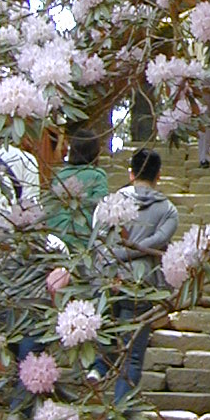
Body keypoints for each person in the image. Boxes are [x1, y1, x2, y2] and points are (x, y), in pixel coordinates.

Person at [92, 149, 178, 405]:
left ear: (130, 173)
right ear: (158, 175)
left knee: (106, 332)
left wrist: (117, 255)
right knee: (133, 355)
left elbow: (97, 240)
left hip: (108, 278)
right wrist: (135, 251)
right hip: (141, 283)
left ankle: (97, 370)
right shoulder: (168, 210)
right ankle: (120, 412)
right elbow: (159, 241)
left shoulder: (109, 203)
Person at [46, 124, 109, 251]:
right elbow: (101, 212)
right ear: (95, 152)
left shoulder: (59, 176)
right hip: (83, 240)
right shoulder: (97, 176)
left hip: (56, 240)